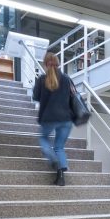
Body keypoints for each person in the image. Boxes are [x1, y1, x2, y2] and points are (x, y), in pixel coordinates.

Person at [32, 51, 74, 186]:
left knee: (44, 139)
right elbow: (74, 96)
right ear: (58, 63)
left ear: (45, 64)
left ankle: (53, 160)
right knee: (59, 147)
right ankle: (60, 176)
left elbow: (36, 97)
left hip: (49, 117)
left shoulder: (41, 80)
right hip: (66, 119)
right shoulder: (67, 78)